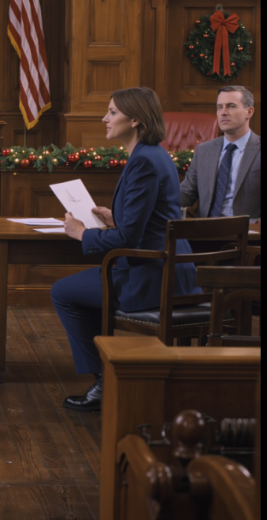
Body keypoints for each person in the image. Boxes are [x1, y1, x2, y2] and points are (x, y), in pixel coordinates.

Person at [50, 87, 199, 413]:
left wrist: (81, 235)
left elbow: (128, 240)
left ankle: (105, 383)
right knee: (78, 291)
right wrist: (115, 217)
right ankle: (110, 379)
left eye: (113, 112)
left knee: (62, 292)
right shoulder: (154, 154)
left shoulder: (144, 161)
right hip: (173, 268)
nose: (105, 118)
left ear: (135, 119)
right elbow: (154, 220)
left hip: (152, 275)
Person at [180, 85, 260, 220]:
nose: (223, 112)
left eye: (231, 106)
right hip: (205, 233)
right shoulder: (204, 150)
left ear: (249, 112)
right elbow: (186, 193)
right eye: (219, 107)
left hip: (248, 234)